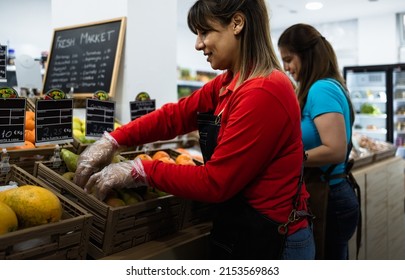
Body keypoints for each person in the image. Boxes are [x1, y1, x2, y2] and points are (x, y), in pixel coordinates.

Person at [74, 0, 314, 260]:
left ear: (237, 23)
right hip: (242, 227)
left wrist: (141, 169)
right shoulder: (229, 80)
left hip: (272, 241)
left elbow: (216, 182)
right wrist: (114, 139)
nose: (198, 44)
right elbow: (175, 116)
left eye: (205, 32)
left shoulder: (264, 91)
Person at [277, 23, 360, 260]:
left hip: (330, 195)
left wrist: (289, 159)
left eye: (289, 59)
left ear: (307, 55)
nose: (286, 67)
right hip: (334, 192)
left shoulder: (321, 89)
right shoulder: (328, 86)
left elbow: (335, 150)